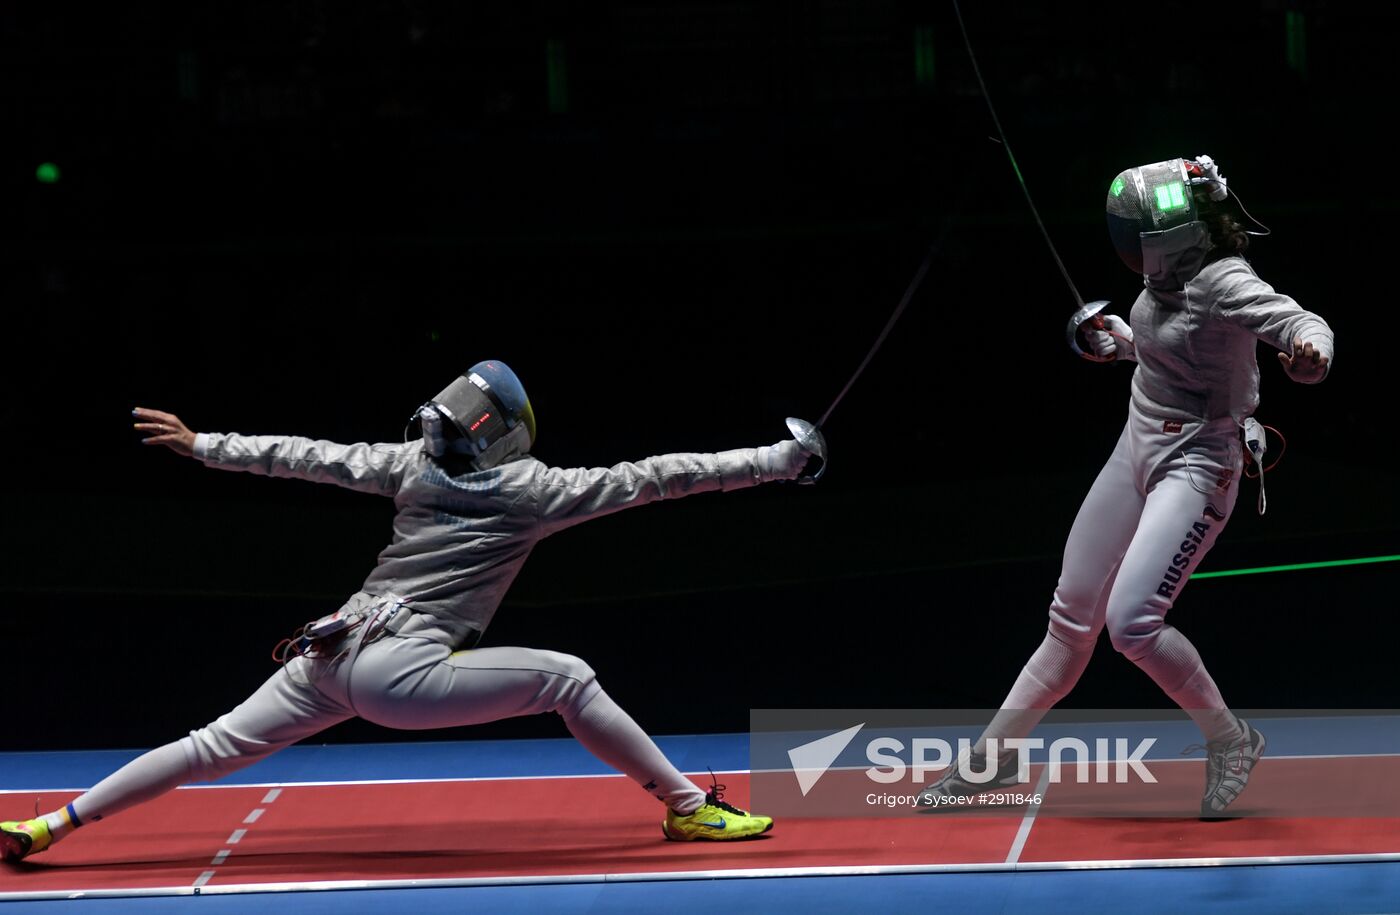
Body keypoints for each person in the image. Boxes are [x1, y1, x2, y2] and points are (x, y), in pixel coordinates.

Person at [2, 360, 822, 861]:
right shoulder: (537, 490)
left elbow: (305, 458)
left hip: (327, 653)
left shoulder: (409, 465)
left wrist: (204, 443)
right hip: (403, 670)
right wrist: (780, 462)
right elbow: (660, 474)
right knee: (570, 678)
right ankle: (688, 808)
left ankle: (55, 824)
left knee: (207, 744)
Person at [917, 155, 1332, 818]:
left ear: (1174, 233)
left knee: (1131, 622)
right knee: (1070, 615)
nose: (1129, 238)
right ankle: (989, 762)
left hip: (1198, 462)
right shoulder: (1167, 279)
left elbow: (1301, 323)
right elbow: (1174, 345)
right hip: (1137, 444)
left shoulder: (1226, 279)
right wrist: (1119, 343)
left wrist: (1310, 354)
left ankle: (1231, 740)